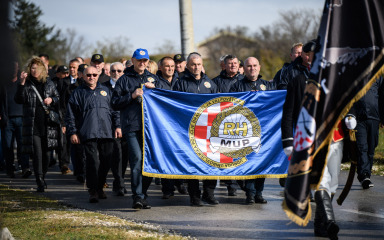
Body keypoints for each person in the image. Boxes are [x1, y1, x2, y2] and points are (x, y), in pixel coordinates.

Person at [66, 66, 121, 203]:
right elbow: (71, 114)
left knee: (106, 161)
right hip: (88, 132)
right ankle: (93, 190)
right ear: (83, 76)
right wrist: (73, 132)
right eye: (88, 75)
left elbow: (115, 110)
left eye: (94, 75)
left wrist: (118, 126)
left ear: (99, 75)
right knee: (92, 162)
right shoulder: (78, 93)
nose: (91, 77)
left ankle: (100, 186)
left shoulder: (106, 90)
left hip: (106, 131)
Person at [111, 48, 157, 209]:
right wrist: (132, 95)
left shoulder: (153, 79)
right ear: (133, 60)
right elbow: (114, 103)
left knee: (149, 162)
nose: (142, 63)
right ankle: (137, 195)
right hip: (131, 126)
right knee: (137, 160)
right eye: (139, 60)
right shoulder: (124, 80)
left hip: (150, 128)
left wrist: (155, 89)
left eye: (145, 60)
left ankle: (142, 193)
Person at [173, 52, 219, 206]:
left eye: (199, 64)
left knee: (211, 161)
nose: (196, 67)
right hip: (189, 130)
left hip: (209, 131)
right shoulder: (180, 83)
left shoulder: (210, 83)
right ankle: (195, 196)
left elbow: (218, 104)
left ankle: (209, 193)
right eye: (193, 64)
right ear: (187, 65)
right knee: (193, 163)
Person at [229, 57, 275, 204]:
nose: (252, 68)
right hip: (245, 132)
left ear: (259, 67)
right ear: (244, 68)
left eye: (255, 65)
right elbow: (231, 108)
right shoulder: (237, 86)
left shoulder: (267, 85)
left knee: (261, 162)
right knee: (248, 163)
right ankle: (250, 193)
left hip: (264, 132)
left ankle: (259, 193)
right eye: (249, 66)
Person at [15, 56, 60, 192]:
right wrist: (21, 83)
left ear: (42, 70)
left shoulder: (49, 83)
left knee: (47, 155)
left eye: (37, 68)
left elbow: (57, 98)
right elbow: (19, 99)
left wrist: (51, 99)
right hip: (32, 124)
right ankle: (39, 180)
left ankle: (43, 176)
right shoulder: (27, 84)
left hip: (47, 124)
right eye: (32, 68)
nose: (34, 70)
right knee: (37, 153)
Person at [155, 56, 188, 198]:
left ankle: (180, 182)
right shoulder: (155, 82)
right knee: (166, 155)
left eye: (172, 66)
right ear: (160, 68)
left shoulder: (180, 82)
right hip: (162, 125)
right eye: (167, 66)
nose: (170, 69)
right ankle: (167, 189)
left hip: (178, 124)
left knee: (179, 153)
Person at [350, 76, 384, 189]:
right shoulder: (357, 73)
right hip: (359, 118)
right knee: (362, 147)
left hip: (374, 117)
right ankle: (363, 175)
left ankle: (366, 175)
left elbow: (382, 97)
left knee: (371, 147)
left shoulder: (379, 77)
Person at [0, 62, 31, 178]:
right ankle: (10, 169)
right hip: (7, 119)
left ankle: (25, 168)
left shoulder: (23, 82)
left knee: (23, 145)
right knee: (7, 146)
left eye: (15, 66)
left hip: (22, 118)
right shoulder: (3, 83)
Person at [102, 62, 128, 196]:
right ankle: (119, 183)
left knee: (124, 156)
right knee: (116, 155)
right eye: (113, 71)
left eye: (119, 71)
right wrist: (117, 125)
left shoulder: (126, 85)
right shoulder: (104, 87)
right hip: (111, 127)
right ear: (109, 72)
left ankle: (119, 181)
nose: (116, 73)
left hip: (127, 125)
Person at [51, 65, 72, 174]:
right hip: (54, 115)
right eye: (63, 73)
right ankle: (61, 162)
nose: (65, 75)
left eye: (66, 73)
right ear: (57, 73)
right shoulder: (52, 83)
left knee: (65, 142)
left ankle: (64, 163)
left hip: (65, 115)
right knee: (60, 141)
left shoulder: (67, 84)